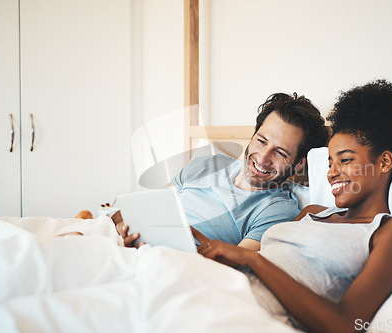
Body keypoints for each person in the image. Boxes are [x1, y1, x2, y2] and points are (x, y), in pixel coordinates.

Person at [191, 79, 392, 333]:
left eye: (345, 160)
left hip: (252, 318)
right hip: (217, 292)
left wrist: (251, 259)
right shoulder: (313, 213)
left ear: (385, 162)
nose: (332, 173)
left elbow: (345, 325)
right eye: (330, 163)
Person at [119, 92, 329, 251]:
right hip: (134, 248)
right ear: (253, 135)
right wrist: (123, 229)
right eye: (261, 141)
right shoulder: (206, 164)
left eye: (280, 153)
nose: (263, 158)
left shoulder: (277, 210)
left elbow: (236, 262)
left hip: (175, 263)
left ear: (299, 164)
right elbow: (148, 206)